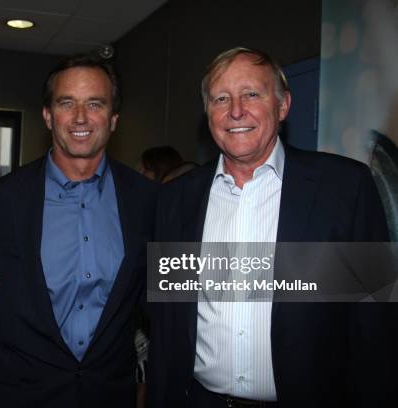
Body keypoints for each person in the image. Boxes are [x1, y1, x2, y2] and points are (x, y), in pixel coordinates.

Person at [148, 47, 395, 407]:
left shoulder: (345, 188)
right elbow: (167, 320)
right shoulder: (175, 200)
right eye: (221, 98)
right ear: (208, 113)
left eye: (251, 94)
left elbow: (375, 320)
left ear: (283, 106)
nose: (236, 110)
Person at [0, 54, 156, 407]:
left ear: (113, 119)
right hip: (21, 395)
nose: (80, 117)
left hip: (110, 395)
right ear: (47, 115)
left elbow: (162, 306)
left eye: (95, 104)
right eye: (66, 103)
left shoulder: (148, 199)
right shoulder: (0, 200)